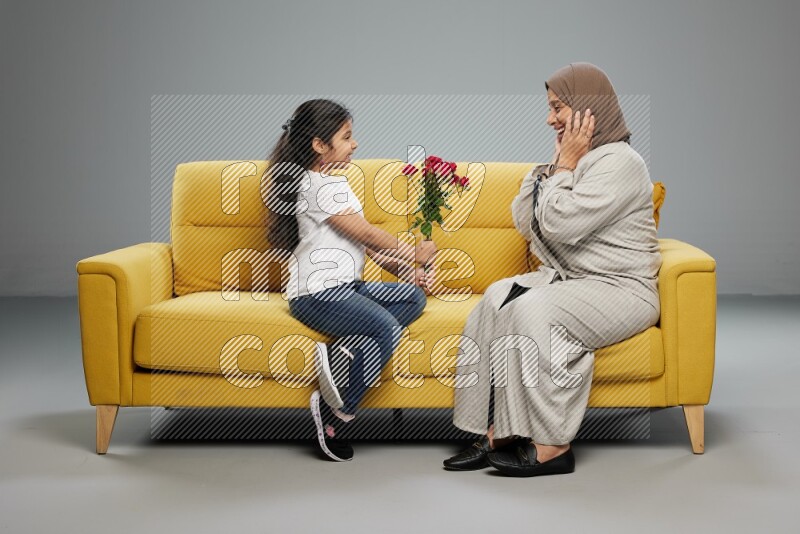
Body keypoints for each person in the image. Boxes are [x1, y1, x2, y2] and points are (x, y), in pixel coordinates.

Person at [444, 63, 662, 477]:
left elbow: (561, 224)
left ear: (587, 109)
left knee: (533, 310)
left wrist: (563, 168)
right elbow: (527, 223)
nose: (550, 119)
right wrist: (552, 167)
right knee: (496, 298)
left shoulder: (621, 163)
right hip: (573, 282)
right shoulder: (577, 158)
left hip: (621, 290)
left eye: (558, 107)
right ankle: (497, 430)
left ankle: (553, 444)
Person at [264, 99, 436, 462]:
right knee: (386, 328)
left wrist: (409, 273)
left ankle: (341, 353)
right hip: (317, 294)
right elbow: (369, 234)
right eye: (346, 137)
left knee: (412, 300)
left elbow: (369, 249)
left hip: (346, 288)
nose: (354, 143)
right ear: (319, 145)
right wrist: (413, 253)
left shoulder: (334, 185)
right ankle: (335, 418)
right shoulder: (312, 185)